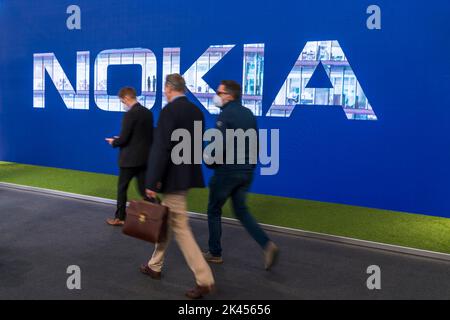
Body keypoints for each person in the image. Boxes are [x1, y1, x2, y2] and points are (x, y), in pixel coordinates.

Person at [142, 74, 215, 299]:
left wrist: (152, 181)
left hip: (171, 179)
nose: (163, 92)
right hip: (186, 176)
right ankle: (154, 265)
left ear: (168, 88)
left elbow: (161, 148)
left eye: (164, 88)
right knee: (168, 222)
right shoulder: (197, 112)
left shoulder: (169, 112)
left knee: (181, 228)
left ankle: (204, 279)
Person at [203, 80, 279, 270]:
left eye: (219, 93)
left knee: (214, 209)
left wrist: (209, 160)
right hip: (246, 171)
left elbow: (218, 144)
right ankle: (267, 245)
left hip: (227, 171)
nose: (217, 96)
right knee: (241, 211)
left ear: (230, 95)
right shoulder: (249, 114)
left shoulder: (225, 115)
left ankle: (215, 252)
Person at [105, 87, 154, 226]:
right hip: (144, 159)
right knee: (145, 189)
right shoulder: (148, 113)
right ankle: (159, 214)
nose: (123, 104)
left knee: (122, 189)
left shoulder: (130, 115)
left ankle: (120, 218)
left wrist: (114, 141)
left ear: (126, 98)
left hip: (129, 160)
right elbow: (145, 137)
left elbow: (124, 139)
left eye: (122, 101)